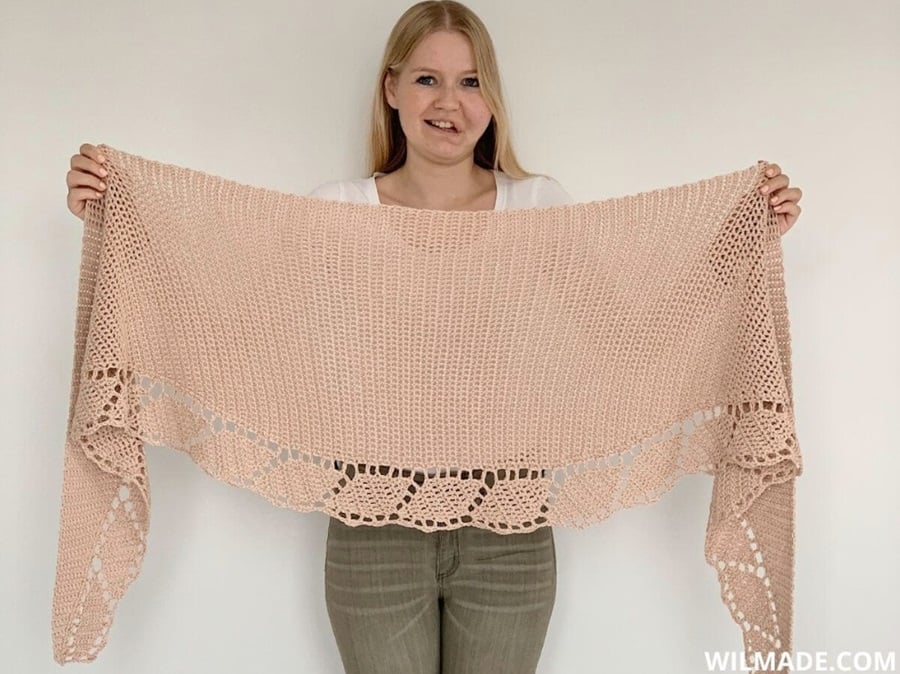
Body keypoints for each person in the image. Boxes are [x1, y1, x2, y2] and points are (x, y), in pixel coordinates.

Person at [64, 3, 804, 672]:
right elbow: (237, 319)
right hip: (369, 523)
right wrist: (121, 220)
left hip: (512, 524)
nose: (449, 102)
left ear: (492, 101)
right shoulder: (338, 212)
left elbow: (631, 327)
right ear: (392, 90)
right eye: (427, 78)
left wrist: (740, 240)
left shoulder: (539, 208)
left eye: (471, 81)